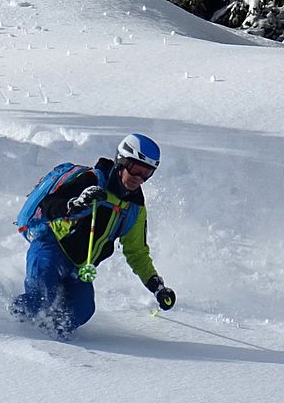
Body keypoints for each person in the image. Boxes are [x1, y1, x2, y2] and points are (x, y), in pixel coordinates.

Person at [10, 133, 177, 339]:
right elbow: (49, 206)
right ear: (121, 160)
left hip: (80, 269)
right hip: (51, 248)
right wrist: (75, 204)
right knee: (41, 298)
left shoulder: (135, 208)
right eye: (135, 169)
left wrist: (157, 287)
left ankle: (50, 340)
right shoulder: (92, 179)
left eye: (147, 173)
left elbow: (137, 252)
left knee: (81, 311)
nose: (139, 178)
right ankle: (9, 327)